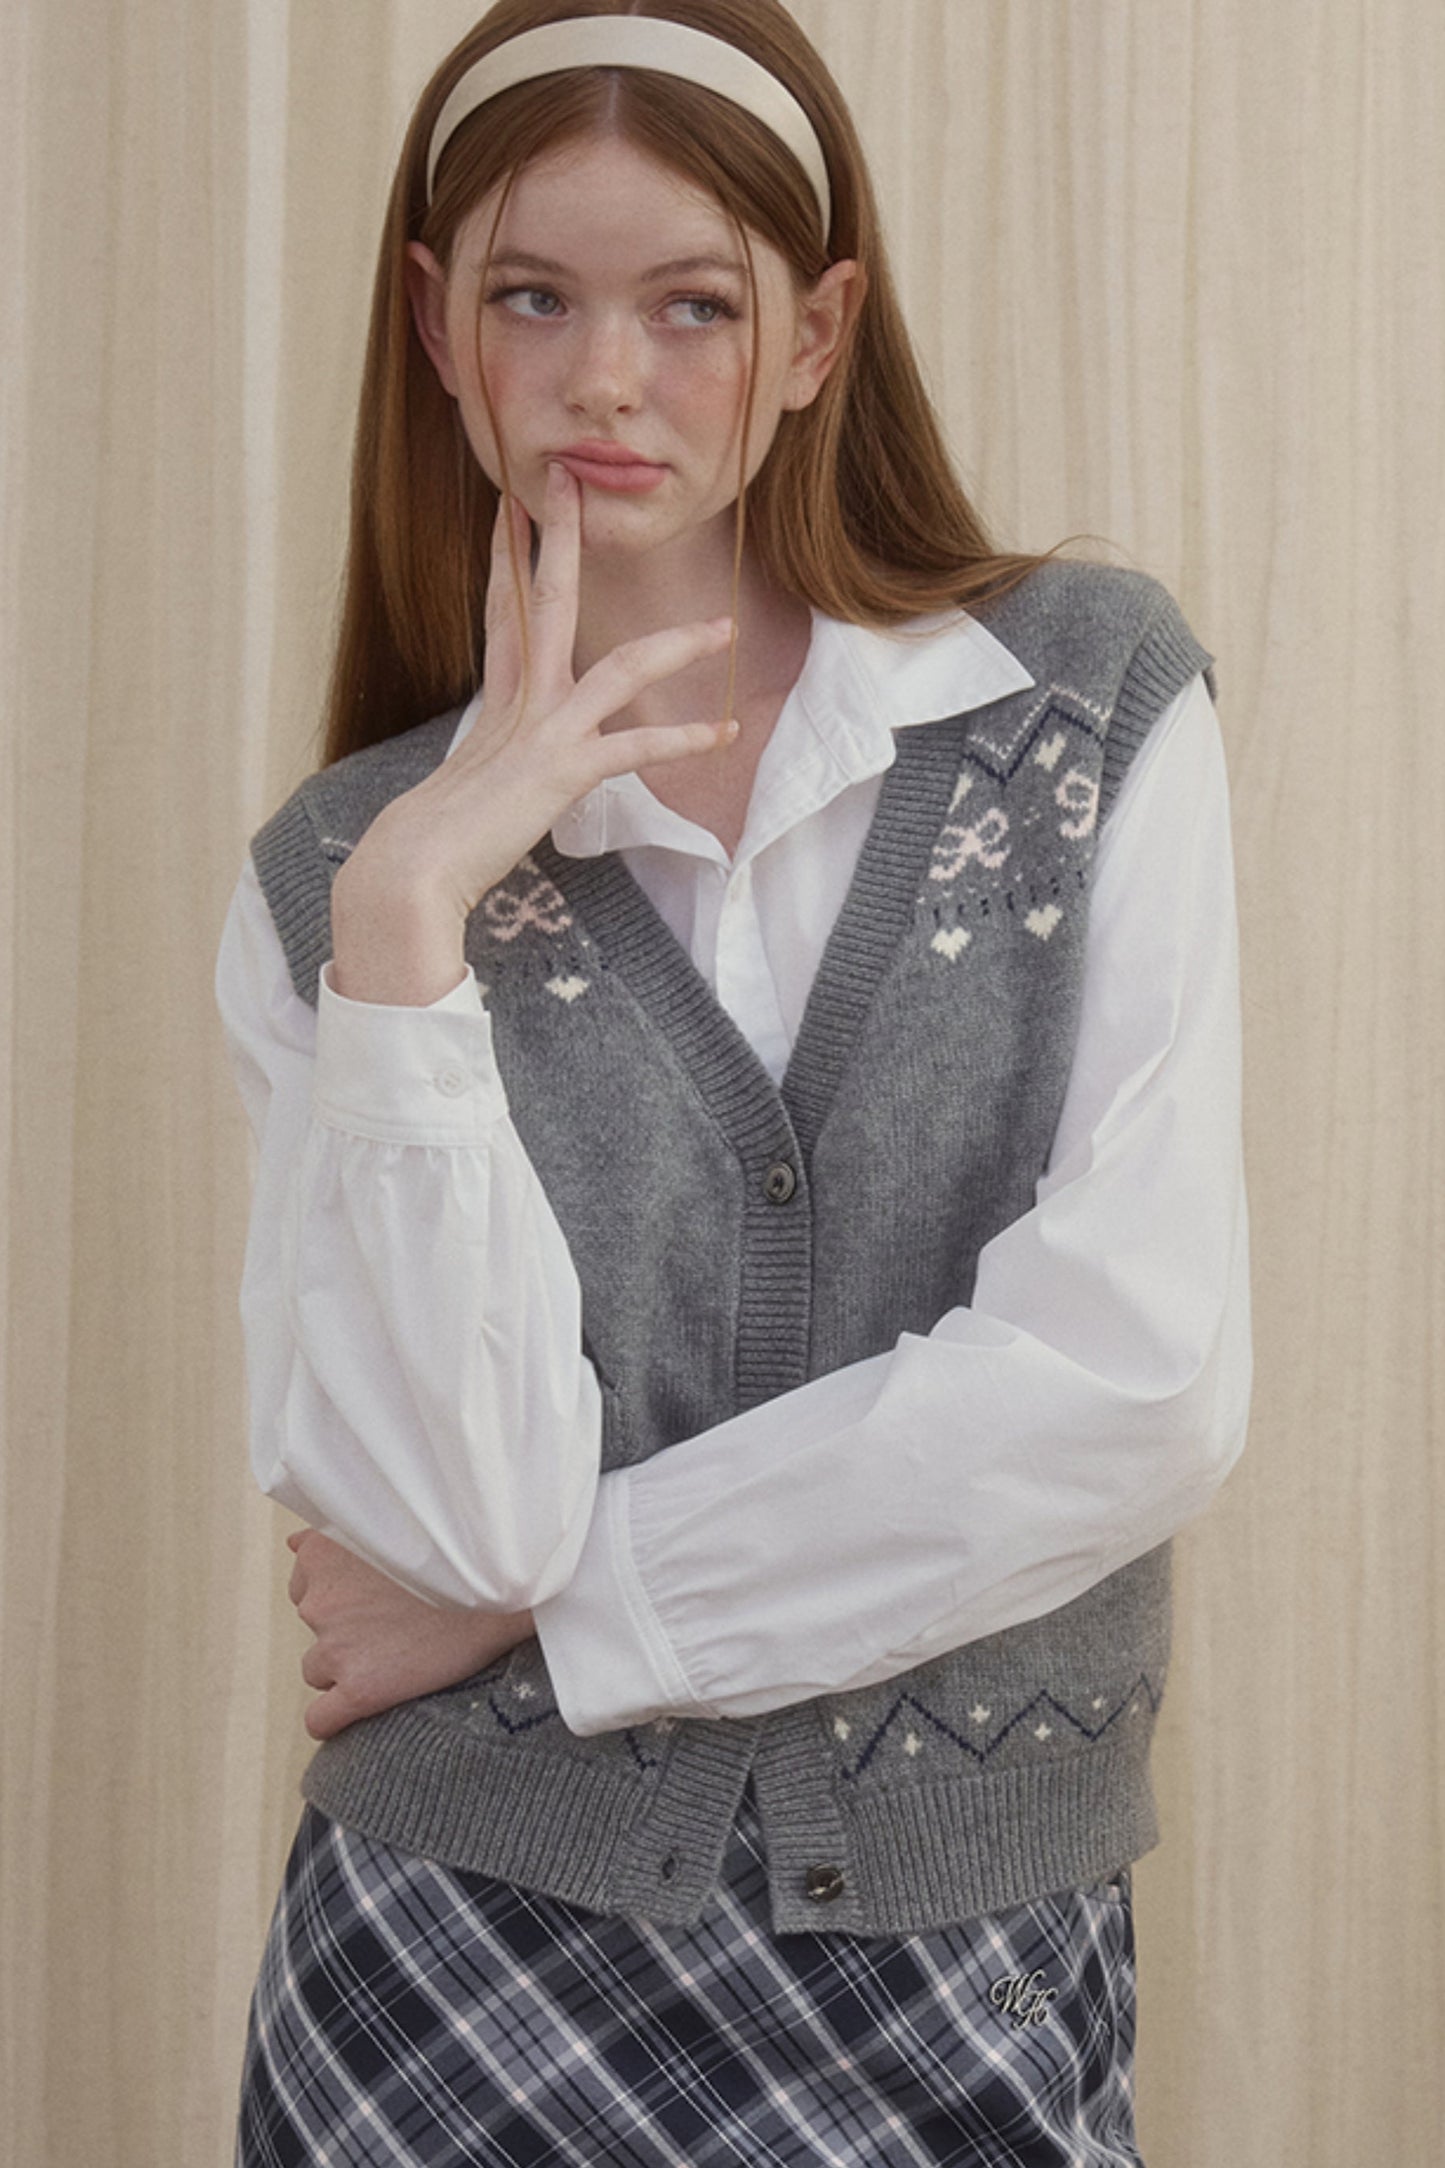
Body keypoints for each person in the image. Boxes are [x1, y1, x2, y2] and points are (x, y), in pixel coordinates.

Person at [218, 1, 1250, 2159]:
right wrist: (408, 935)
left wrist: (561, 1602)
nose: (607, 378)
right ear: (436, 323)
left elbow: (1137, 1379)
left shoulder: (1084, 714)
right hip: (446, 1984)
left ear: (817, 332)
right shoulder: (341, 878)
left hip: (965, 1962)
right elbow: (449, 1512)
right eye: (535, 297)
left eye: (693, 304)